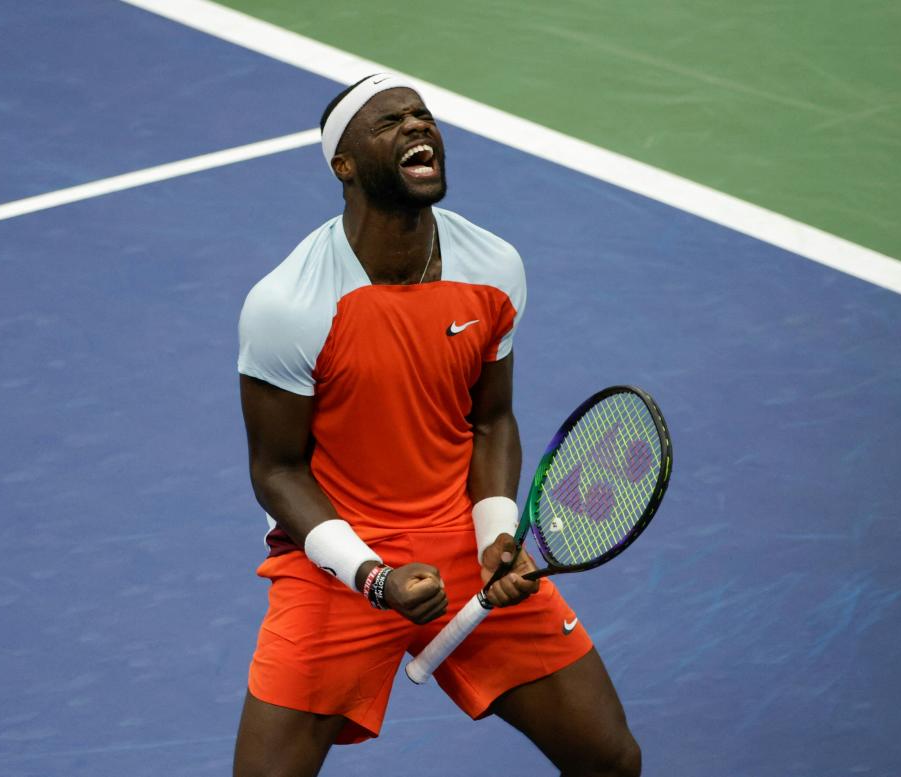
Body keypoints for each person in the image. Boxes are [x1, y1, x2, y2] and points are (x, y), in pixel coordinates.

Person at [233, 73, 641, 777]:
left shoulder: (494, 266)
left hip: (464, 538)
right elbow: (278, 471)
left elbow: (491, 419)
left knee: (610, 759)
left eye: (423, 116)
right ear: (345, 165)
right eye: (391, 122)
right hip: (341, 557)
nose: (418, 127)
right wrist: (373, 577)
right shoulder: (289, 304)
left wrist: (496, 539)